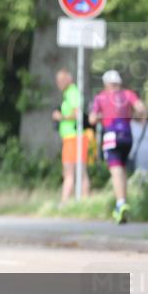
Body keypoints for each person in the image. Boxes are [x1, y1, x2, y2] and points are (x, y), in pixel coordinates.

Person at [89, 69, 148, 223]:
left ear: (106, 84)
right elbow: (141, 109)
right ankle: (122, 203)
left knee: (115, 170)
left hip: (111, 136)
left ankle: (120, 203)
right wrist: (135, 118)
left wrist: (102, 116)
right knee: (122, 169)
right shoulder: (128, 94)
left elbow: (92, 119)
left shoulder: (101, 97)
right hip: (127, 136)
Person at [52, 69, 89, 202]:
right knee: (73, 171)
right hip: (70, 138)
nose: (59, 83)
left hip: (74, 138)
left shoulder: (72, 92)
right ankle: (77, 202)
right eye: (58, 81)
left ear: (69, 79)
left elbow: (77, 114)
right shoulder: (68, 93)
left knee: (72, 172)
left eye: (62, 80)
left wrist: (60, 117)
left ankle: (66, 203)